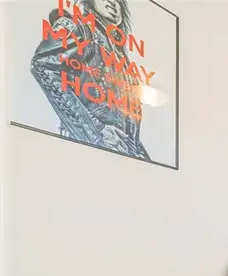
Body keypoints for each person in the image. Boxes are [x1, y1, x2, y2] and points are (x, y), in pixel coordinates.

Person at [30, 0, 149, 159]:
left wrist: (139, 155)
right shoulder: (79, 26)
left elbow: (128, 126)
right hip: (89, 152)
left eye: (117, 1)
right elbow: (43, 64)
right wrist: (95, 132)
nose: (112, 5)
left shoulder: (121, 58)